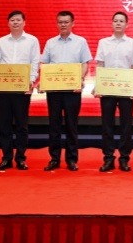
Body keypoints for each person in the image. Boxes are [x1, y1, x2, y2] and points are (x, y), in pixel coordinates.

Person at [40, 11, 92, 172]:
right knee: (54, 125)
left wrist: (80, 79)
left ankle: (72, 159)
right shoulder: (50, 43)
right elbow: (44, 64)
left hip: (72, 90)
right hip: (54, 90)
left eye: (66, 22)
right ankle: (54, 159)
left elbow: (85, 64)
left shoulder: (80, 42)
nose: (63, 24)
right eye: (60, 22)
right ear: (57, 24)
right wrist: (45, 80)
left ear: (72, 23)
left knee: (71, 125)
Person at [0, 10, 40, 171]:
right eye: (12, 20)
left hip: (22, 89)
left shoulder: (32, 40)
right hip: (4, 89)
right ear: (8, 23)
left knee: (21, 125)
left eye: (18, 20)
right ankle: (6, 158)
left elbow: (35, 62)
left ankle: (21, 158)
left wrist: (31, 81)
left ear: (24, 22)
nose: (15, 22)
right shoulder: (2, 41)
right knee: (4, 124)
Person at [94, 11, 133, 172]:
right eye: (115, 20)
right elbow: (100, 65)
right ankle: (108, 158)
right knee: (107, 125)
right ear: (112, 23)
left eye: (121, 21)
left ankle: (124, 158)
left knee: (126, 125)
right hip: (108, 89)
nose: (118, 23)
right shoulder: (103, 42)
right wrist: (98, 85)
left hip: (125, 89)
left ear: (127, 25)